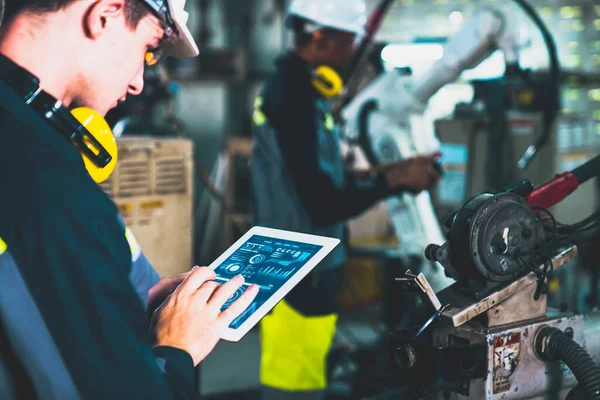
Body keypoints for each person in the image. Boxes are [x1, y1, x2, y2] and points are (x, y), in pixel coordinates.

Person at [0, 1, 258, 399]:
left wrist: (121, 294)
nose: (139, 81)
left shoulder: (27, 141)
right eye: (149, 48)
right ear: (105, 13)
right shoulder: (47, 179)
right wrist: (177, 350)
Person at [250, 0, 442, 398]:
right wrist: (393, 180)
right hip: (297, 268)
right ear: (321, 38)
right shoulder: (294, 97)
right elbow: (322, 203)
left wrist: (385, 174)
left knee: (306, 374)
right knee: (294, 384)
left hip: (305, 263)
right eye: (349, 40)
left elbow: (311, 176)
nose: (353, 51)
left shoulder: (303, 90)